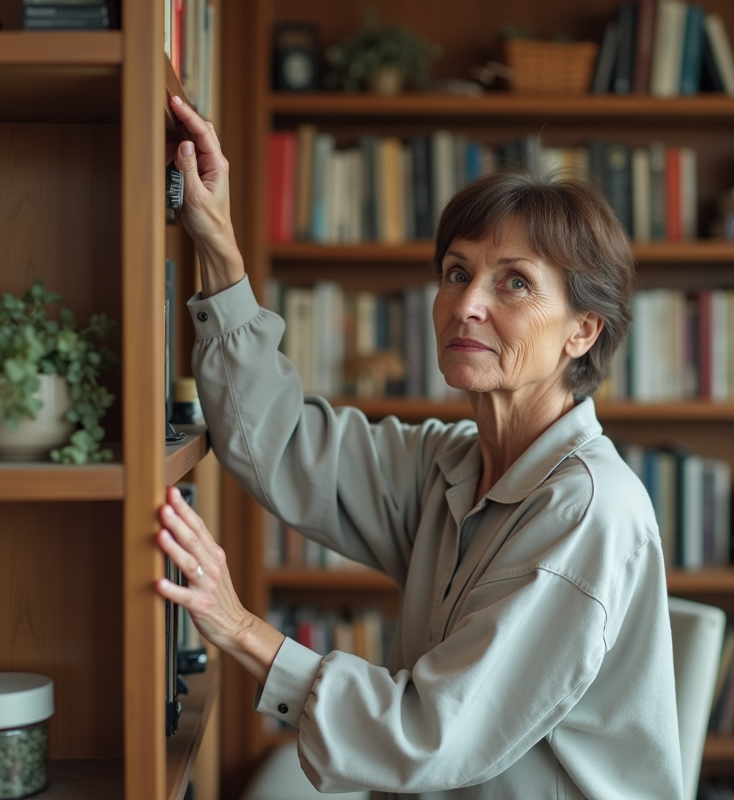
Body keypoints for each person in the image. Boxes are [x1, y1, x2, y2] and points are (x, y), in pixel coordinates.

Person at [155, 95, 683, 800]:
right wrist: (217, 246)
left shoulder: (588, 509)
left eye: (514, 282)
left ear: (582, 331)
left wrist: (239, 627)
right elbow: (274, 443)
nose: (466, 303)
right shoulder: (451, 462)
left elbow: (429, 735)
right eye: (458, 272)